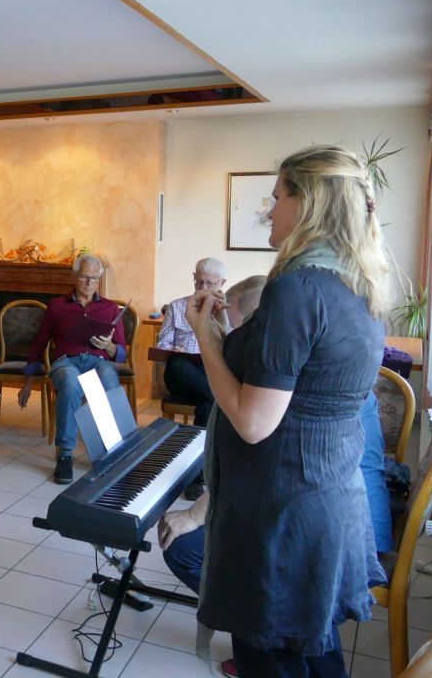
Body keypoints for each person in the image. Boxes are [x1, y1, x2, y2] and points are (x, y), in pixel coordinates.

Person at [183, 145, 389, 676]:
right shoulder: (358, 284)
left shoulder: (297, 289)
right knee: (313, 656)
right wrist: (227, 338)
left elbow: (253, 422)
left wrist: (206, 340)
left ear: (308, 203)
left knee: (273, 657)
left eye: (276, 198)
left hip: (281, 508)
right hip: (325, 496)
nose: (269, 211)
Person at [159, 274, 391, 678]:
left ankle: (261, 630)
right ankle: (281, 638)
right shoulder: (344, 305)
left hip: (304, 520)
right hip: (339, 512)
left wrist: (195, 515)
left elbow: (263, 444)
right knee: (316, 637)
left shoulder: (294, 301)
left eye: (243, 336)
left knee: (191, 552)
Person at [17, 253, 129, 484]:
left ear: (99, 280)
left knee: (109, 380)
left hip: (99, 361)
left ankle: (113, 450)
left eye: (94, 278)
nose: (89, 283)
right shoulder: (57, 306)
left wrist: (109, 347)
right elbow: (39, 343)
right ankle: (65, 455)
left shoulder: (110, 308)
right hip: (66, 362)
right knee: (70, 382)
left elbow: (122, 353)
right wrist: (28, 382)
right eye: (84, 277)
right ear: (74, 276)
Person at [157, 257, 227, 428]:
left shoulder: (226, 310)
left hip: (209, 374)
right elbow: (162, 346)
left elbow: (233, 346)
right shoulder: (176, 306)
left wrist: (222, 321)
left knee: (207, 403)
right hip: (181, 376)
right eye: (199, 281)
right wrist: (173, 350)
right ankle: (221, 397)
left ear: (221, 283)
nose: (203, 288)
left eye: (209, 283)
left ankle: (200, 442)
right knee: (176, 363)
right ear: (194, 277)